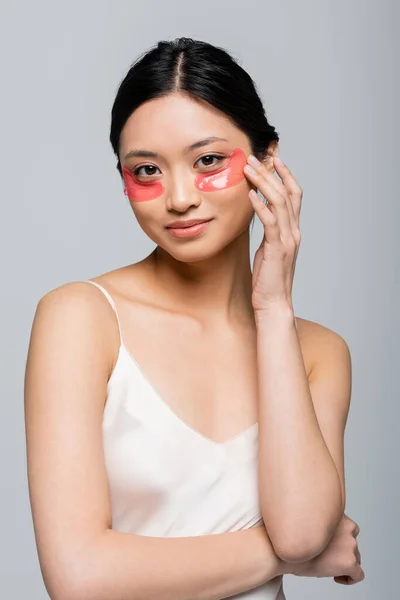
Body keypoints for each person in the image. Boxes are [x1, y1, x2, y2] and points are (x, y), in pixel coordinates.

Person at [24, 37, 364, 599]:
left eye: (208, 160)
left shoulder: (320, 352)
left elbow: (303, 531)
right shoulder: (80, 319)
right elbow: (78, 579)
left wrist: (274, 310)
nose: (178, 197)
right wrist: (285, 555)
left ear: (268, 161)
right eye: (147, 170)